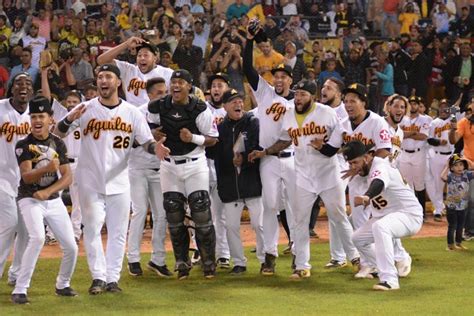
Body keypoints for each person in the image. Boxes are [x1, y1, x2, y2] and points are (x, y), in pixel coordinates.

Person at [54, 64, 159, 294]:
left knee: (118, 231)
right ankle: (98, 277)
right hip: (89, 179)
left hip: (120, 181)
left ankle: (113, 278)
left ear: (118, 82)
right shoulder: (85, 108)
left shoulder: (132, 112)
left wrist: (156, 149)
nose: (103, 80)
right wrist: (70, 118)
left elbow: (147, 141)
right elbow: (58, 133)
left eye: (108, 76)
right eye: (100, 77)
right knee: (91, 230)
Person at [269, 80, 358, 279]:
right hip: (302, 176)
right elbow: (285, 139)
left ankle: (355, 257)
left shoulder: (326, 112)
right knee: (300, 221)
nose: (298, 98)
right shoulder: (289, 114)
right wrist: (266, 151)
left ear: (313, 96)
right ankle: (302, 266)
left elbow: (342, 136)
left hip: (328, 173)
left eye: (303, 94)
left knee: (338, 216)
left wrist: (329, 147)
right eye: (297, 94)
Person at [315, 83, 392, 278]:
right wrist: (319, 147)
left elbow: (384, 150)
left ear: (363, 102)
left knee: (384, 219)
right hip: (356, 178)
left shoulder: (377, 122)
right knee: (360, 222)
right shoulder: (343, 124)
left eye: (353, 101)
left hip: (377, 177)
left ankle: (398, 257)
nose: (348, 104)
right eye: (346, 100)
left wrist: (369, 169)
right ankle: (369, 263)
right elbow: (332, 149)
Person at [148, 69, 218, 280]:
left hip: (195, 163)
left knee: (201, 213)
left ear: (189, 86)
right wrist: (152, 134)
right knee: (174, 214)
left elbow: (213, 138)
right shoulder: (157, 106)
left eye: (181, 82)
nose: (176, 86)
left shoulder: (200, 108)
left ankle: (208, 263)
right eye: (173, 82)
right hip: (169, 165)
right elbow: (147, 129)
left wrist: (193, 138)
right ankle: (182, 262)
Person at [11, 96, 78, 305]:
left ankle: (63, 285)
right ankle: (20, 289)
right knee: (38, 238)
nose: (37, 120)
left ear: (51, 119)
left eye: (41, 116)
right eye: (33, 117)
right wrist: (47, 169)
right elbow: (27, 176)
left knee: (71, 247)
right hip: (29, 198)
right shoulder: (23, 145)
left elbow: (68, 177)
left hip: (52, 199)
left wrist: (49, 191)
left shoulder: (58, 142)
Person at [243, 21, 296, 276]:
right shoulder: (265, 94)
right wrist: (249, 39)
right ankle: (269, 256)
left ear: (290, 79)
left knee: (296, 207)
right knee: (270, 206)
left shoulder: (300, 100)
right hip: (269, 162)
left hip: (294, 159)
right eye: (275, 75)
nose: (277, 78)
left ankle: (299, 254)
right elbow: (246, 67)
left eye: (282, 75)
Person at [345, 140, 423, 291]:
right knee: (357, 239)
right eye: (350, 164)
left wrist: (367, 197)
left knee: (380, 227)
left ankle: (389, 280)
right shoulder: (361, 173)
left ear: (367, 157)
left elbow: (378, 183)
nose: (353, 167)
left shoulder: (380, 166)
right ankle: (382, 265)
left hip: (409, 214)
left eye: (355, 162)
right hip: (388, 216)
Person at [208, 89, 264, 274]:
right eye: (233, 102)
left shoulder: (252, 122)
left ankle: (265, 259)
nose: (238, 104)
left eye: (240, 100)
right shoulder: (220, 129)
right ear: (224, 106)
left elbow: (257, 147)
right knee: (231, 226)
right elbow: (213, 154)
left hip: (251, 181)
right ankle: (239, 262)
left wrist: (245, 157)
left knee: (259, 224)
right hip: (230, 184)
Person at [126, 77, 173, 278]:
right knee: (139, 212)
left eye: (165, 92)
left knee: (161, 215)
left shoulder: (170, 111)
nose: (164, 96)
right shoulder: (137, 113)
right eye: (159, 93)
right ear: (150, 94)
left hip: (160, 168)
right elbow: (128, 142)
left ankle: (158, 259)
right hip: (137, 167)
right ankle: (133, 258)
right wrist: (149, 136)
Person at [319, 77, 360, 269]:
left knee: (339, 210)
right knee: (334, 210)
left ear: (338, 93)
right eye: (323, 87)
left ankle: (351, 253)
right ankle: (339, 255)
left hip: (346, 164)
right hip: (327, 162)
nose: (323, 90)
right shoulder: (320, 111)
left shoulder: (346, 112)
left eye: (329, 88)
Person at [0, 73, 34, 288]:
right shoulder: (1, 108)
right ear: (11, 88)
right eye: (19, 83)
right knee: (9, 224)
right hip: (1, 177)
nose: (23, 86)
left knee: (27, 230)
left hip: (26, 180)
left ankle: (17, 273)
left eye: (28, 83)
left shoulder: (36, 113)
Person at [97, 37, 173, 105]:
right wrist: (126, 44)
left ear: (155, 58)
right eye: (139, 55)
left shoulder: (168, 73)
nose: (142, 58)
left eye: (146, 55)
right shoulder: (129, 69)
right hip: (133, 116)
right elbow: (101, 60)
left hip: (156, 116)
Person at [206, 72, 232, 269]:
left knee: (221, 214)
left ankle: (223, 254)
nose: (216, 88)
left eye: (220, 85)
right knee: (199, 213)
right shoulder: (201, 109)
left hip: (222, 168)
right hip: (202, 166)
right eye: (214, 85)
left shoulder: (232, 112)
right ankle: (202, 251)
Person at [398, 96, 431, 218]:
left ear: (419, 105)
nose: (413, 105)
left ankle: (422, 213)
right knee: (406, 184)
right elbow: (398, 134)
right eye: (410, 103)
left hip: (419, 153)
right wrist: (413, 133)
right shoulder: (402, 119)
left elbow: (423, 136)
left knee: (419, 184)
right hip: (404, 153)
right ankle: (410, 212)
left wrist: (406, 134)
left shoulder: (425, 119)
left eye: (415, 103)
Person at [449, 102, 474, 240]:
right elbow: (453, 140)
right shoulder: (464, 122)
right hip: (469, 166)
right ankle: (469, 231)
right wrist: (452, 130)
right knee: (470, 200)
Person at [426, 100, 454, 221]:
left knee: (454, 183)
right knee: (438, 183)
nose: (443, 110)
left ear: (449, 109)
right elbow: (429, 139)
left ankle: (452, 209)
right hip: (437, 155)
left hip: (452, 155)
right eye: (441, 108)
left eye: (446, 107)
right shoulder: (434, 123)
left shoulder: (453, 120)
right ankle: (438, 209)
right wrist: (438, 142)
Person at [441, 154, 474, 250]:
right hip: (451, 206)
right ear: (451, 167)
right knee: (452, 226)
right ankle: (450, 245)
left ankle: (458, 243)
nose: (459, 167)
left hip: (463, 206)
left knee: (460, 225)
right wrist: (447, 166)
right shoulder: (450, 176)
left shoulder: (467, 175)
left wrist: (469, 162)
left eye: (461, 165)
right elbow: (442, 176)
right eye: (456, 165)